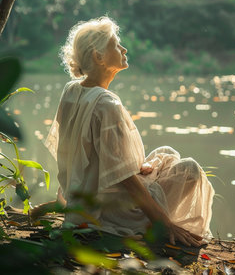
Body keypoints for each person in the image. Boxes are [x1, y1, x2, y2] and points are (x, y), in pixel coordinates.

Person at [43, 16, 214, 246]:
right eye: (116, 44)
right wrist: (165, 223)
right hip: (111, 211)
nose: (123, 49)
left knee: (166, 152)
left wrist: (67, 204)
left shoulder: (71, 91)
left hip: (85, 201)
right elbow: (127, 181)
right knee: (190, 169)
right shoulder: (106, 104)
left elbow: (69, 156)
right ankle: (151, 225)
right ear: (98, 56)